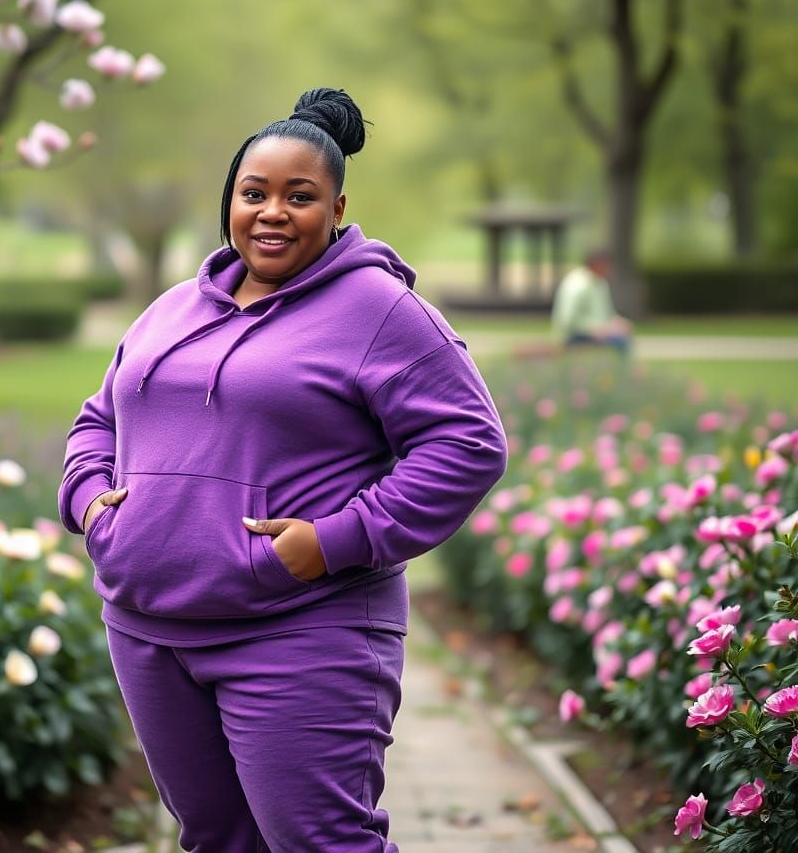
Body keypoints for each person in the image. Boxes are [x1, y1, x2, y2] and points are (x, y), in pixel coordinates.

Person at [58, 87, 507, 853]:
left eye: (299, 197)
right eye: (253, 193)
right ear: (229, 201)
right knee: (217, 840)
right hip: (149, 630)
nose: (272, 212)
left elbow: (467, 443)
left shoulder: (377, 309)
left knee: (321, 843)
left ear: (336, 207)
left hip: (301, 631)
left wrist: (335, 539)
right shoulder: (170, 309)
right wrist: (94, 506)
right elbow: (98, 419)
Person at [551, 247, 632, 354]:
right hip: (575, 335)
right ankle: (618, 370)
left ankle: (618, 369)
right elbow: (567, 320)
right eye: (607, 265)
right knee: (619, 342)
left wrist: (618, 323)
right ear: (597, 264)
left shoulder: (600, 283)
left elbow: (607, 315)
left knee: (622, 335)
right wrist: (593, 331)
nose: (610, 269)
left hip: (600, 333)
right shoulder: (576, 284)